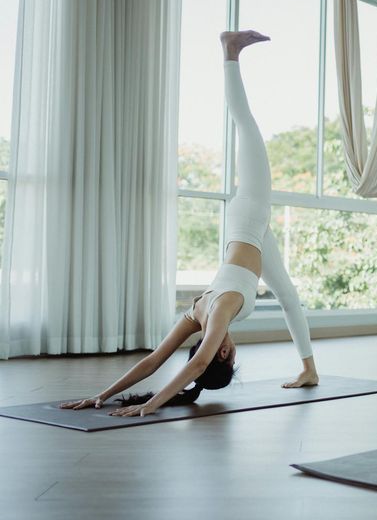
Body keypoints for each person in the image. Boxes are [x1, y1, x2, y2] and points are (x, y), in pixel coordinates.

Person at [61, 30, 318, 418]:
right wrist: (102, 395)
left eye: (230, 356)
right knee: (287, 294)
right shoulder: (196, 313)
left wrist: (150, 405)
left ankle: (230, 52)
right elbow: (154, 361)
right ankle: (309, 369)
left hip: (250, 213)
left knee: (246, 126)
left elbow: (196, 366)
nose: (231, 351)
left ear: (223, 353)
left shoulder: (222, 312)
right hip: (250, 231)